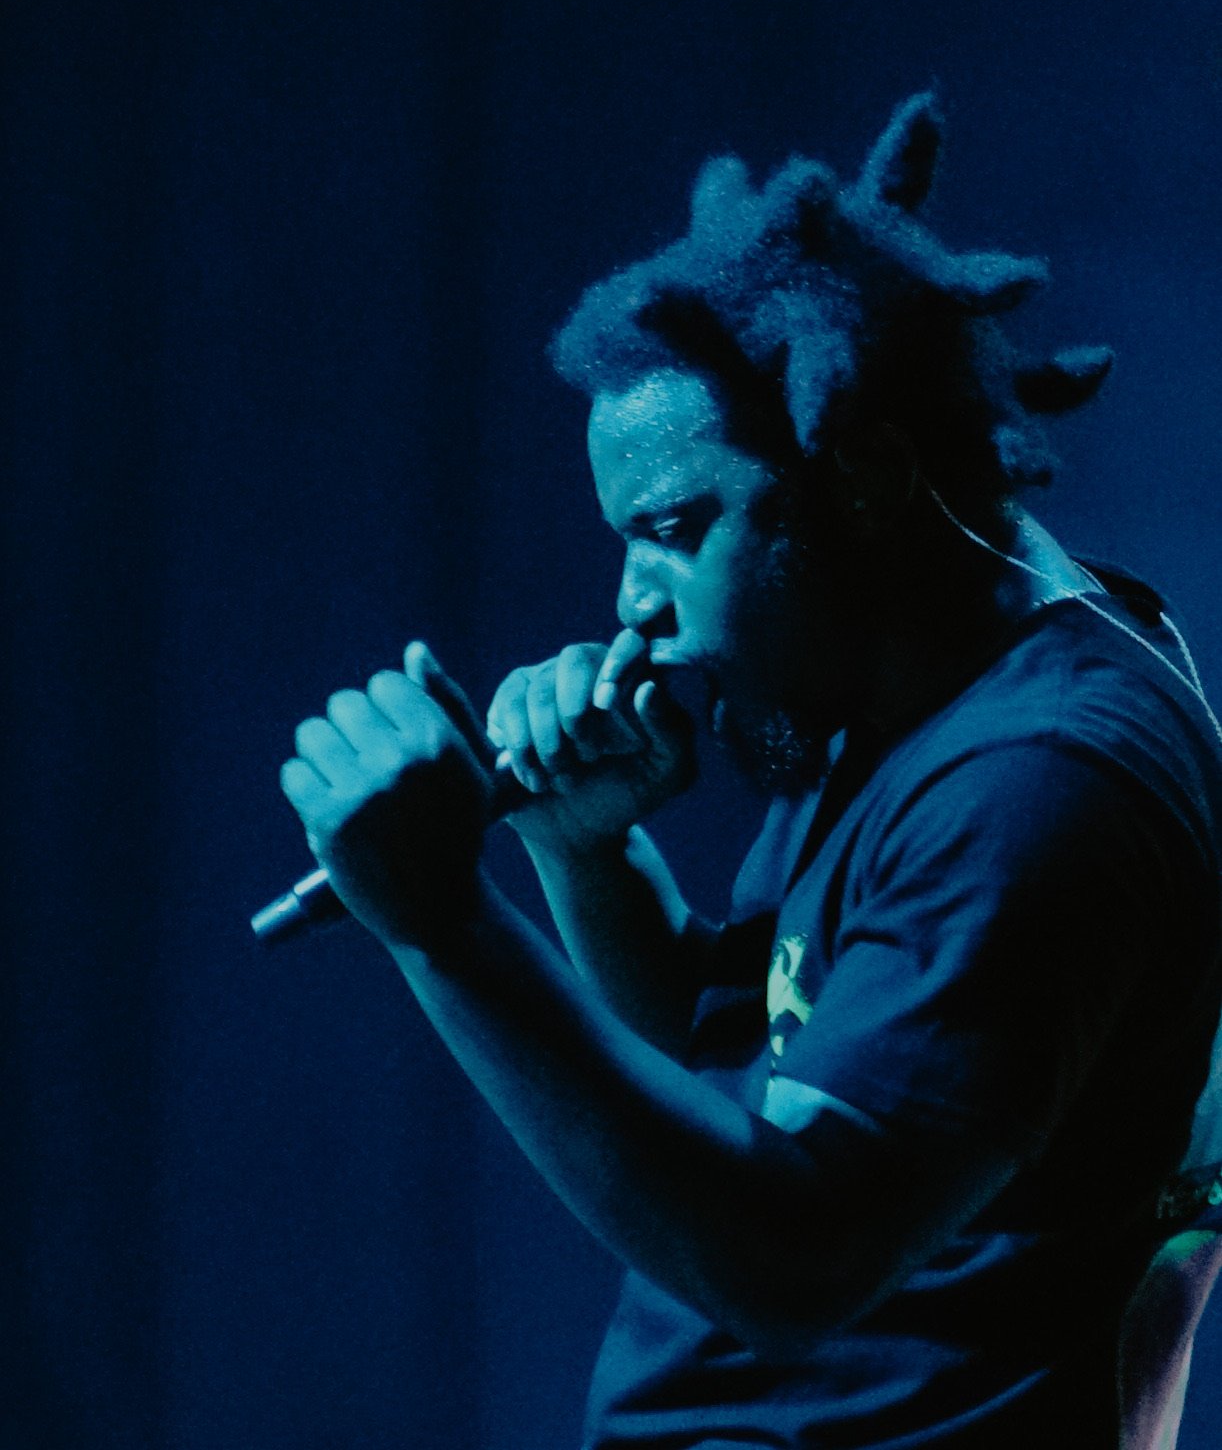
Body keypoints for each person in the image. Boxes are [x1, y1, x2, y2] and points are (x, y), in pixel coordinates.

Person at [278, 95, 1222, 1448]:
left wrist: (444, 928)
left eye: (674, 530)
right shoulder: (898, 689)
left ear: (869, 471)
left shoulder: (1036, 781)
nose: (630, 602)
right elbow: (738, 1083)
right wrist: (585, 852)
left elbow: (793, 1258)